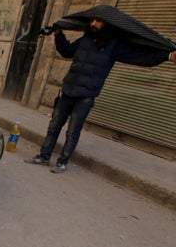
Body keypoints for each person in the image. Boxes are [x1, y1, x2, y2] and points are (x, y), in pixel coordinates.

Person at [25, 18, 176, 173]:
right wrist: (58, 34)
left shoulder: (114, 45)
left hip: (86, 96)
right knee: (54, 126)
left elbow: (139, 57)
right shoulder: (85, 40)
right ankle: (43, 157)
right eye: (92, 21)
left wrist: (167, 56)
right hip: (68, 91)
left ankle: (62, 162)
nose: (93, 24)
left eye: (98, 22)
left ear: (107, 25)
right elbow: (66, 51)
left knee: (72, 132)